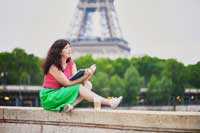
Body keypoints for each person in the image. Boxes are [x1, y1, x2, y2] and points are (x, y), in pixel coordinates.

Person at [39, 39, 122, 112]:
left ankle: (71, 105)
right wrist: (85, 76)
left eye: (69, 47)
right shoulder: (53, 67)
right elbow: (67, 83)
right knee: (78, 87)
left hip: (62, 92)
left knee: (88, 84)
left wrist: (88, 74)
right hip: (50, 96)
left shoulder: (71, 64)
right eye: (66, 48)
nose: (70, 49)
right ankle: (109, 102)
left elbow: (78, 81)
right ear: (59, 51)